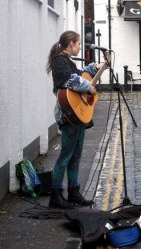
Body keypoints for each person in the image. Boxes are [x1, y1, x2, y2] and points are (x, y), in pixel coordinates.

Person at [46, 30, 102, 209]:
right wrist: (89, 87)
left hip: (76, 114)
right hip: (67, 115)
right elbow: (71, 80)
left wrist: (95, 68)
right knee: (66, 154)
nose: (80, 47)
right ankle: (55, 194)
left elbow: (79, 73)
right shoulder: (59, 62)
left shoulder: (67, 61)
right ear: (70, 44)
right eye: (78, 44)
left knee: (76, 154)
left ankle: (73, 191)